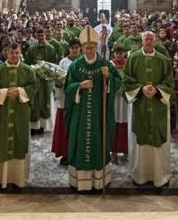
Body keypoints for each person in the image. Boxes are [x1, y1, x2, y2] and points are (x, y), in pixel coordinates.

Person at [64, 26, 122, 192]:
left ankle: (99, 180)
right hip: (80, 114)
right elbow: (68, 89)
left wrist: (108, 78)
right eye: (86, 48)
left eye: (92, 47)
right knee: (80, 140)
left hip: (99, 112)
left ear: (97, 47)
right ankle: (80, 181)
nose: (89, 50)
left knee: (99, 139)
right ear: (82, 48)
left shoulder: (105, 64)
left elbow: (118, 84)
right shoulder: (75, 66)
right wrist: (79, 86)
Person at [123, 31, 175, 187]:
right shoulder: (133, 58)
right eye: (146, 39)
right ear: (141, 40)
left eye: (151, 39)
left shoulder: (163, 60)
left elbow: (169, 81)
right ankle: (139, 175)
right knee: (140, 139)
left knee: (159, 138)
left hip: (158, 105)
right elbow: (126, 79)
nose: (149, 41)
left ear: (156, 41)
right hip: (140, 104)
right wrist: (141, 89)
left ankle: (160, 175)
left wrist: (158, 90)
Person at [0, 42, 37, 190]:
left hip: (20, 114)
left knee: (19, 141)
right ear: (6, 53)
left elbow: (34, 87)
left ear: (20, 53)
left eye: (16, 53)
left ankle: (17, 179)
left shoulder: (27, 70)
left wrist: (20, 91)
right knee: (0, 140)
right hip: (2, 115)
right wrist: (5, 92)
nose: (14, 55)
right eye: (11, 53)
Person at [53, 38, 81, 164]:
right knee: (64, 126)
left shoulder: (83, 61)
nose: (75, 50)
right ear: (69, 49)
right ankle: (65, 152)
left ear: (80, 48)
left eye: (77, 47)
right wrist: (58, 83)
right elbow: (57, 79)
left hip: (79, 98)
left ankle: (76, 152)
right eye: (72, 48)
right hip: (65, 98)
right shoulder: (63, 62)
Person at [110, 43, 129, 163]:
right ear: (114, 54)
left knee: (126, 123)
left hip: (126, 97)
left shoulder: (128, 64)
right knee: (115, 122)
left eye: (121, 53)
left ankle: (126, 150)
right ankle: (114, 152)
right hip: (115, 97)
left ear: (124, 53)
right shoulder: (111, 65)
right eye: (117, 53)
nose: (119, 55)